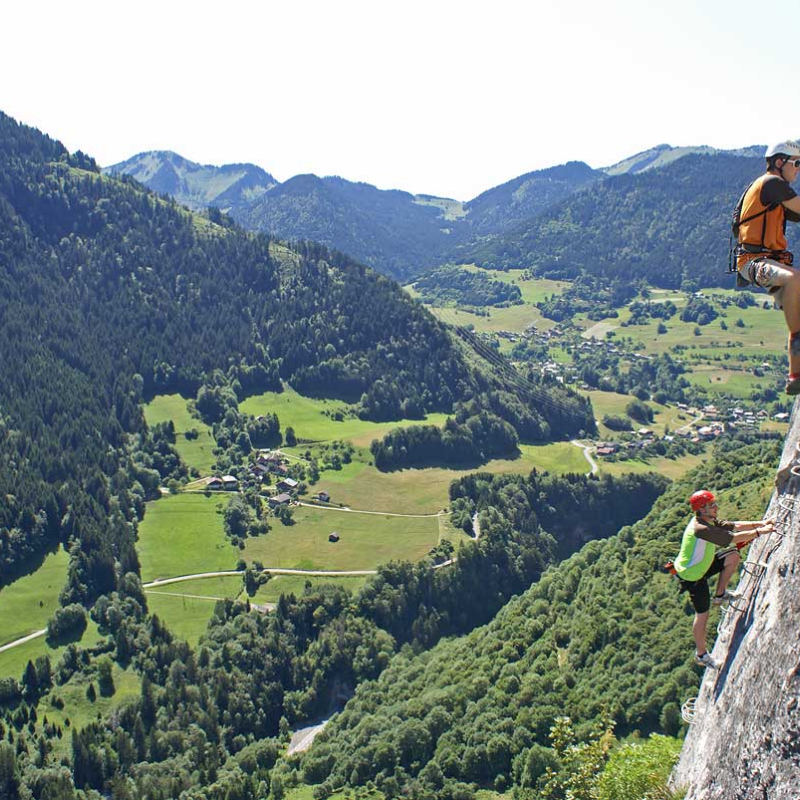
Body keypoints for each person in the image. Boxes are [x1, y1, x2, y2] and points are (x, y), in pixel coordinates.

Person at [674, 490, 774, 669]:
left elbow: (733, 526)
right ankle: (702, 655)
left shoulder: (708, 522)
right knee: (702, 615)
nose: (716, 507)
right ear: (702, 509)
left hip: (701, 566)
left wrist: (761, 523)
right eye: (712, 505)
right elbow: (732, 538)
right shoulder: (701, 529)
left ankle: (720, 595)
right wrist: (761, 532)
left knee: (733, 556)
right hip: (692, 576)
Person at [734, 140, 800, 394]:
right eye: (796, 163)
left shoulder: (775, 190)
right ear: (780, 162)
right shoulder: (773, 185)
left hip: (765, 261)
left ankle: (795, 377)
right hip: (754, 262)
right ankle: (797, 345)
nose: (798, 170)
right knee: (795, 280)